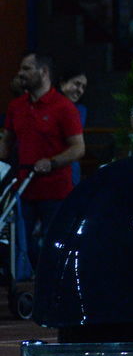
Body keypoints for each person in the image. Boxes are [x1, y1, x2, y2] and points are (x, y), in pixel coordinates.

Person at [0, 54, 85, 270]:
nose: (21, 73)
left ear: (43, 72)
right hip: (24, 189)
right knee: (23, 245)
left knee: (53, 244)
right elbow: (6, 144)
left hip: (54, 191)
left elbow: (78, 148)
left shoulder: (64, 107)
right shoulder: (16, 107)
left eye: (27, 68)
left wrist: (52, 162)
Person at [58, 67, 89, 185]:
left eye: (83, 87)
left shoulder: (80, 110)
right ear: (62, 83)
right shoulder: (45, 106)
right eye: (77, 84)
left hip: (70, 167)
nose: (80, 90)